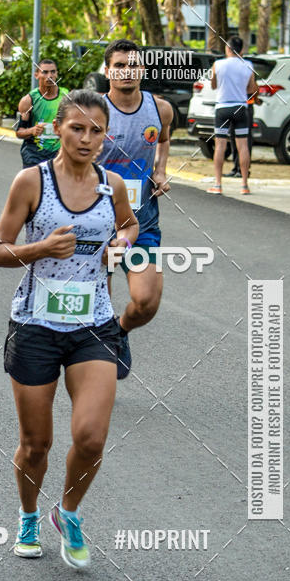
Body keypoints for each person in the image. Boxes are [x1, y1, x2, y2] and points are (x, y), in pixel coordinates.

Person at [0, 89, 139, 569]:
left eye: (96, 131)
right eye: (77, 128)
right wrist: (40, 250)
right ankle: (29, 515)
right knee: (37, 445)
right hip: (35, 323)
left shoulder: (112, 185)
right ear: (58, 128)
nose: (86, 138)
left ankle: (69, 513)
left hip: (93, 325)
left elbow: (130, 225)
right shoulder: (30, 182)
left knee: (92, 437)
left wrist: (120, 243)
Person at [95, 38, 173, 379]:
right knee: (97, 302)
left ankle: (119, 332)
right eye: (119, 65)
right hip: (95, 219)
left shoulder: (160, 109)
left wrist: (160, 170)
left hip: (140, 219)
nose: (127, 71)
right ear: (108, 70)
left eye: (133, 64)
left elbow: (164, 138)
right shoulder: (91, 109)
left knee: (146, 300)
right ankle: (98, 352)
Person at [208, 36, 258, 196]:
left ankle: (218, 184)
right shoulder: (248, 65)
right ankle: (244, 185)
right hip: (240, 107)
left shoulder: (218, 64)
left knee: (220, 146)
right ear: (242, 50)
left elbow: (213, 84)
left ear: (227, 49)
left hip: (222, 107)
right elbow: (251, 89)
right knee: (243, 146)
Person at [15, 59, 68, 168]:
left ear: (57, 74)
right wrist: (32, 130)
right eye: (45, 72)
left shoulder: (67, 97)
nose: (50, 76)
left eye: (53, 72)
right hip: (34, 154)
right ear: (36, 75)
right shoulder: (29, 100)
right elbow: (19, 132)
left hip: (58, 153)